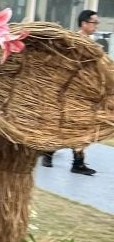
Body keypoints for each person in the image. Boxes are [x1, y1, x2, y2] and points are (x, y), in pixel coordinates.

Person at [42, 10, 99, 175]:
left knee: (72, 126)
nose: (96, 26)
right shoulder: (75, 42)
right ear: (84, 24)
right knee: (75, 126)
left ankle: (50, 153)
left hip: (81, 93)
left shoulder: (88, 42)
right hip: (71, 92)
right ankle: (75, 162)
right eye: (94, 22)